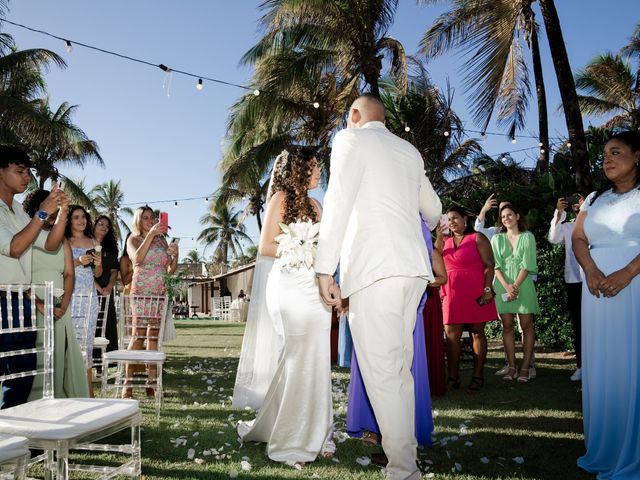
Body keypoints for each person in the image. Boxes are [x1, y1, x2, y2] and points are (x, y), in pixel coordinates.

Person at [314, 94, 442, 480]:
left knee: (383, 372)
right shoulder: (410, 151)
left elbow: (336, 202)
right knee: (398, 369)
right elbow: (434, 211)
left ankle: (403, 469)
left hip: (374, 270)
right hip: (413, 273)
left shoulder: (349, 140)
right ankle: (407, 456)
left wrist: (325, 269)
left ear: (354, 115)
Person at [237, 147, 335, 466]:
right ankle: (291, 440)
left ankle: (318, 431)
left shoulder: (318, 205)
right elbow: (265, 246)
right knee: (295, 358)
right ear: (299, 169)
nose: (319, 172)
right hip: (288, 285)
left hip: (314, 287)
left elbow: (327, 248)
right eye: (314, 166)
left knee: (317, 359)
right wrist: (299, 247)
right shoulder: (280, 199)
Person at [572, 131, 640, 479]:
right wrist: (592, 269)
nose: (607, 159)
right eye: (604, 155)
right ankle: (607, 445)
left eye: (617, 152)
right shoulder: (594, 198)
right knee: (605, 365)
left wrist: (628, 272)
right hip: (596, 290)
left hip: (636, 285)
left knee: (634, 362)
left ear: (638, 156)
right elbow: (579, 236)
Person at [347, 220, 446, 452]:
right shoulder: (375, 232)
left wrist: (422, 280)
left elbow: (441, 277)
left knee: (402, 369)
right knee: (375, 365)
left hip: (409, 313)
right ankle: (373, 427)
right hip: (376, 303)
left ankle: (405, 428)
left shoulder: (423, 242)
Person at [0, 146, 65, 408]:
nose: (27, 177)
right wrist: (42, 213)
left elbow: (50, 243)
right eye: (20, 171)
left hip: (22, 302)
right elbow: (15, 248)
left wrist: (59, 213)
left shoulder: (18, 211)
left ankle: (11, 438)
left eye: (28, 172)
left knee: (22, 377)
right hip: (1, 300)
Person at [23, 189, 89, 400]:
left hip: (59, 302)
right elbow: (20, 273)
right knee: (37, 355)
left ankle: (58, 401)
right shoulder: (25, 233)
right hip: (32, 300)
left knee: (58, 355)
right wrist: (37, 302)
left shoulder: (62, 241)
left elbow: (69, 273)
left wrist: (64, 304)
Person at [435, 207, 498, 393]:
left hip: (475, 290)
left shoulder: (477, 238)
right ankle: (453, 378)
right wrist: (439, 237)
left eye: (455, 218)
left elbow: (489, 265)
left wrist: (488, 289)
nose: (452, 222)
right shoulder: (444, 241)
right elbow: (434, 259)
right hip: (452, 293)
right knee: (451, 337)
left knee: (477, 332)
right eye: (448, 219)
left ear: (465, 219)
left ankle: (478, 376)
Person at [123, 206, 179, 398]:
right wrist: (150, 235)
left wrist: (175, 254)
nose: (149, 220)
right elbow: (137, 259)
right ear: (138, 221)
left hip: (159, 292)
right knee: (138, 336)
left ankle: (152, 384)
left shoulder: (162, 241)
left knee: (154, 338)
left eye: (152, 217)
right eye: (145, 218)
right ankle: (127, 385)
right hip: (141, 292)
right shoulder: (133, 239)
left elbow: (171, 270)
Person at [491, 204, 539, 383]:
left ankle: (526, 367)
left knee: (526, 325)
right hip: (502, 285)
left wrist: (515, 286)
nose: (506, 218)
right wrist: (506, 286)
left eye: (509, 215)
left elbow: (527, 264)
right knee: (507, 326)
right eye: (503, 216)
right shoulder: (496, 239)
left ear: (517, 216)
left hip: (523, 285)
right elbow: (494, 265)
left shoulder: (528, 237)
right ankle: (511, 367)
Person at [65, 205, 102, 396]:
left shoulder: (93, 241)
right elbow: (61, 269)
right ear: (69, 221)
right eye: (76, 217)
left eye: (83, 217)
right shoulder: (64, 241)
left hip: (89, 298)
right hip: (70, 297)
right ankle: (70, 391)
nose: (81, 221)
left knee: (86, 345)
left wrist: (98, 264)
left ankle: (88, 393)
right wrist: (79, 261)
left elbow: (98, 274)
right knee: (70, 344)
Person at [548, 194, 584, 381]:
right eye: (574, 202)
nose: (577, 203)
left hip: (598, 278)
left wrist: (588, 209)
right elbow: (553, 238)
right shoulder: (568, 225)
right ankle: (580, 365)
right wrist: (559, 212)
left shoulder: (596, 222)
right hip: (574, 279)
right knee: (578, 324)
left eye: (581, 200)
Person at [93, 215, 119, 359]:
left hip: (107, 293)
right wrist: (98, 288)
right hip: (91, 292)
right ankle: (90, 362)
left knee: (107, 326)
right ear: (94, 225)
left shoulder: (110, 249)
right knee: (92, 326)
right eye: (100, 224)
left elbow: (114, 270)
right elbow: (84, 273)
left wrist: (108, 287)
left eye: (107, 226)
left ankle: (104, 363)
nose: (104, 227)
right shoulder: (86, 245)